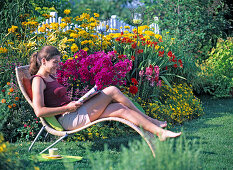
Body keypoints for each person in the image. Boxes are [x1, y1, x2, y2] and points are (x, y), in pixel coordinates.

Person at [29, 46, 181, 141]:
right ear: (43, 61)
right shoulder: (39, 80)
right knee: (112, 90)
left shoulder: (50, 76)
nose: (58, 65)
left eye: (58, 61)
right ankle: (152, 121)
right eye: (55, 62)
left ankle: (158, 133)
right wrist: (67, 108)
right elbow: (39, 111)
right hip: (67, 119)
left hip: (73, 113)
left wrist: (80, 101)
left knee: (121, 109)